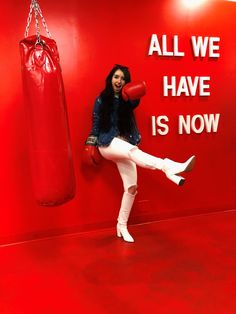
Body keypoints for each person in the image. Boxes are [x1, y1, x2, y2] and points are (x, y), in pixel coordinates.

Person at [87, 64, 196, 243]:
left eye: (122, 78)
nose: (119, 81)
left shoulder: (127, 99)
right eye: (116, 77)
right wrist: (90, 144)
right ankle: (168, 167)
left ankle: (121, 225)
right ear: (110, 78)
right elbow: (96, 123)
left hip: (125, 145)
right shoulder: (101, 99)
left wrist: (132, 93)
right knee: (133, 151)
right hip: (107, 144)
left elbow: (135, 101)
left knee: (131, 188)